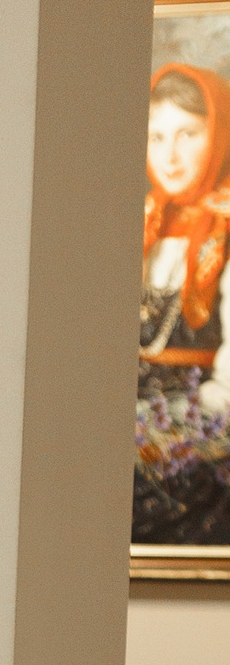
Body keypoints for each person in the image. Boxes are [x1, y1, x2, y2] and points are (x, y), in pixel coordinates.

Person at [136, 62, 230, 548]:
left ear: (218, 134)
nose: (169, 156)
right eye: (156, 137)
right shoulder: (139, 226)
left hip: (200, 437)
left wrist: (170, 427)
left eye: (187, 134)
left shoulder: (225, 232)